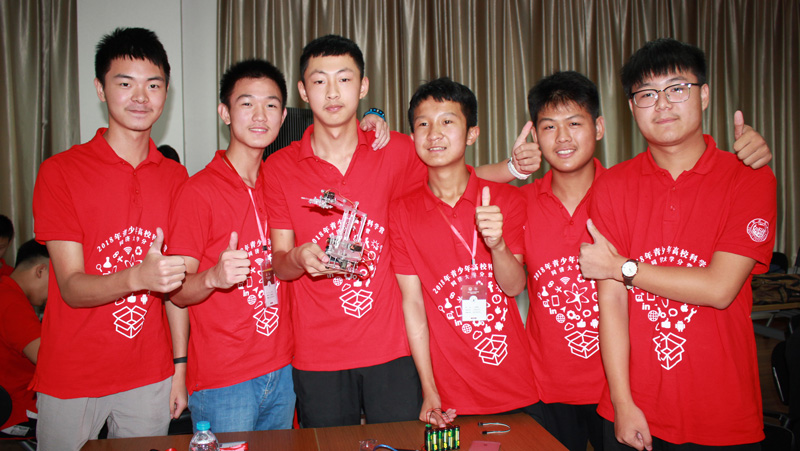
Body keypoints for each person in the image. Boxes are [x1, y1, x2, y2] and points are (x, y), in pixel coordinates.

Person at [264, 34, 532, 428]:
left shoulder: (397, 149)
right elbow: (279, 263)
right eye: (319, 81)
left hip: (394, 351)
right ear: (303, 91)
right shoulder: (279, 168)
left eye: (344, 79)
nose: (333, 92)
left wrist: (513, 169)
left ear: (363, 86)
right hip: (318, 354)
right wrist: (299, 258)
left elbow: (453, 174)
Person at [521, 70, 773, 451]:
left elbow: (719, 288)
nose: (563, 137)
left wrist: (620, 268)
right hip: (575, 392)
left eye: (677, 89)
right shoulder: (543, 199)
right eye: (648, 95)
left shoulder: (621, 187)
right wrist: (510, 170)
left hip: (674, 395)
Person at [32, 27, 189, 450]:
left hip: (150, 373)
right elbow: (71, 287)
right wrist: (138, 276)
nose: (141, 97)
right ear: (100, 89)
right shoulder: (60, 172)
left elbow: (175, 288)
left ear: (166, 92)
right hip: (73, 374)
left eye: (153, 85)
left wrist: (179, 366)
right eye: (125, 83)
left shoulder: (176, 177)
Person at [391, 77, 540, 427]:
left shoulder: (508, 199)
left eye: (447, 121)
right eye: (423, 124)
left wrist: (497, 245)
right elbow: (412, 305)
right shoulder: (401, 212)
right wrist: (429, 390)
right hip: (448, 395)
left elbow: (514, 286)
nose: (434, 134)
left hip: (515, 384)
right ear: (412, 137)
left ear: (472, 134)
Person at [0, 240, 49, 438]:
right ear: (40, 271)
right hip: (17, 408)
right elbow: (49, 360)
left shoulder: (6, 291)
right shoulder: (12, 303)